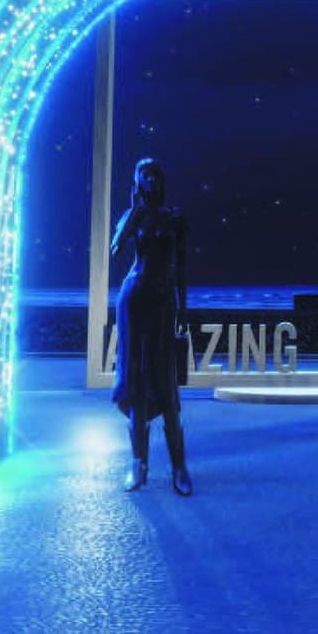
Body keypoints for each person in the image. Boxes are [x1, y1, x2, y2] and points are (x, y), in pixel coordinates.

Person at [110, 157, 193, 495]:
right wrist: (133, 215)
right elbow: (115, 251)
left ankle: (179, 467)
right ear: (138, 181)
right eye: (145, 175)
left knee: (165, 383)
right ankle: (138, 464)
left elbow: (182, 265)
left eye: (156, 174)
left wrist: (184, 307)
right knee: (136, 380)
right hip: (133, 301)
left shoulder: (175, 217)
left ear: (162, 179)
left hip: (163, 302)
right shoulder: (135, 215)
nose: (151, 180)